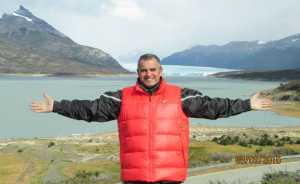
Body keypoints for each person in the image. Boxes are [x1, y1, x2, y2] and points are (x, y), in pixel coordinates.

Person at [30, 53, 272, 184]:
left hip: (170, 177)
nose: (148, 74)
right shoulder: (120, 98)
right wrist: (57, 106)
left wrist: (247, 104)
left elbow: (214, 107)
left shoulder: (182, 97)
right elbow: (90, 110)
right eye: (143, 70)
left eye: (153, 69)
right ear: (138, 72)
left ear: (160, 71)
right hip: (135, 178)